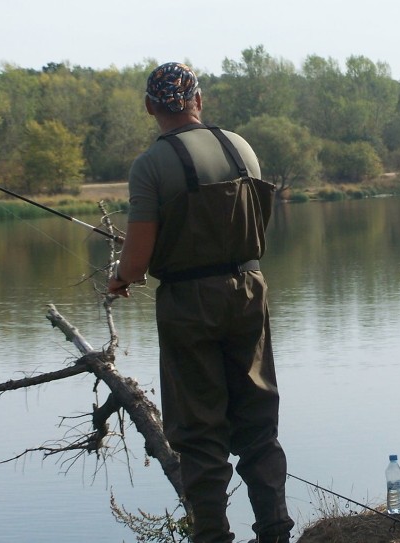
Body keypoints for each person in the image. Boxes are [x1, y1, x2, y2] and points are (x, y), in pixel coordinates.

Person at [108, 62, 294, 543]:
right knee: (257, 421)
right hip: (250, 289)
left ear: (151, 108)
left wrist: (119, 278)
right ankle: (275, 531)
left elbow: (136, 261)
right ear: (199, 101)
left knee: (198, 429)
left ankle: (212, 536)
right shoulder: (243, 149)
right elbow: (257, 228)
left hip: (189, 302)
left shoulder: (151, 166)